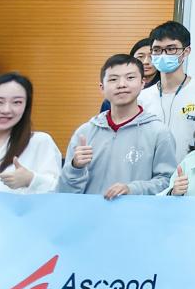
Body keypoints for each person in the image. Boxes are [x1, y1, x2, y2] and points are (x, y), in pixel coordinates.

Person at [58, 54, 175, 199]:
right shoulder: (85, 132)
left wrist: (132, 189)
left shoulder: (159, 132)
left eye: (130, 78)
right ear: (102, 87)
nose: (121, 84)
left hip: (136, 212)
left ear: (142, 83)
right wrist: (75, 167)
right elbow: (64, 192)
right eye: (113, 79)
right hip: (91, 213)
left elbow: (167, 182)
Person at [139, 20, 195, 159]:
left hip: (192, 169)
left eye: (171, 49)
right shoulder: (142, 97)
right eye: (157, 50)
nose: (163, 55)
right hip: (150, 170)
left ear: (186, 51)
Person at [100, 38, 159, 112]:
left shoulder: (164, 89)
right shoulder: (113, 97)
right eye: (140, 57)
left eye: (152, 57)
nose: (146, 62)